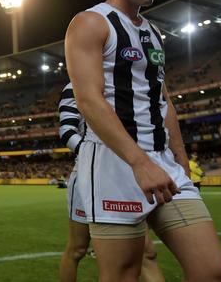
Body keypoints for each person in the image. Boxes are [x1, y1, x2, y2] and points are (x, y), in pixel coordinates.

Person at [65, 0, 221, 281]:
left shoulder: (153, 32)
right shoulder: (90, 23)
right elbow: (89, 100)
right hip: (113, 165)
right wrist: (138, 162)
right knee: (123, 274)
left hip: (163, 163)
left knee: (213, 271)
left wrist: (180, 157)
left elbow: (163, 98)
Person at [57, 83, 164, 282]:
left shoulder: (128, 80)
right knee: (77, 249)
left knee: (146, 252)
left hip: (129, 173)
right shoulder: (74, 86)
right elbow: (66, 130)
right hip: (89, 174)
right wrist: (94, 156)